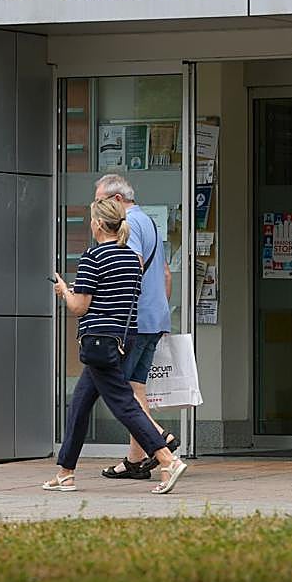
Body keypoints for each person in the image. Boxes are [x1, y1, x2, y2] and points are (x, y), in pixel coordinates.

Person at [45, 196, 187, 495]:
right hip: (124, 338)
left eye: (91, 219)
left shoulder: (92, 257)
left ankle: (167, 459)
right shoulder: (132, 258)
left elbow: (79, 307)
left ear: (98, 224)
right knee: (79, 405)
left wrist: (65, 291)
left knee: (124, 405)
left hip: (98, 342)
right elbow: (118, 295)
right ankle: (65, 473)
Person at [92, 174, 179, 481]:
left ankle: (161, 438)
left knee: (122, 392)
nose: (96, 209)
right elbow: (165, 273)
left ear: (117, 199)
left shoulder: (128, 224)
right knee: (136, 388)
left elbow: (132, 265)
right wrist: (162, 313)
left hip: (133, 320)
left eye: (100, 201)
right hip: (154, 317)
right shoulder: (150, 222)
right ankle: (135, 459)